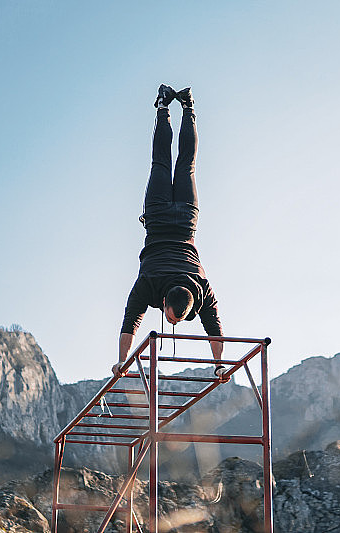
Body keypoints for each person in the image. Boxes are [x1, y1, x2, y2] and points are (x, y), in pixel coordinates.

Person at [113, 84, 225, 380]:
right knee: (166, 162)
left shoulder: (201, 288)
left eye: (175, 320)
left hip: (185, 218)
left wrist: (219, 364)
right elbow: (130, 321)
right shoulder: (150, 285)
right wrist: (120, 361)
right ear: (164, 303)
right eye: (174, 319)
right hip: (162, 216)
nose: (173, 324)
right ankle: (166, 106)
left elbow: (214, 328)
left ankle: (185, 106)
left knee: (185, 165)